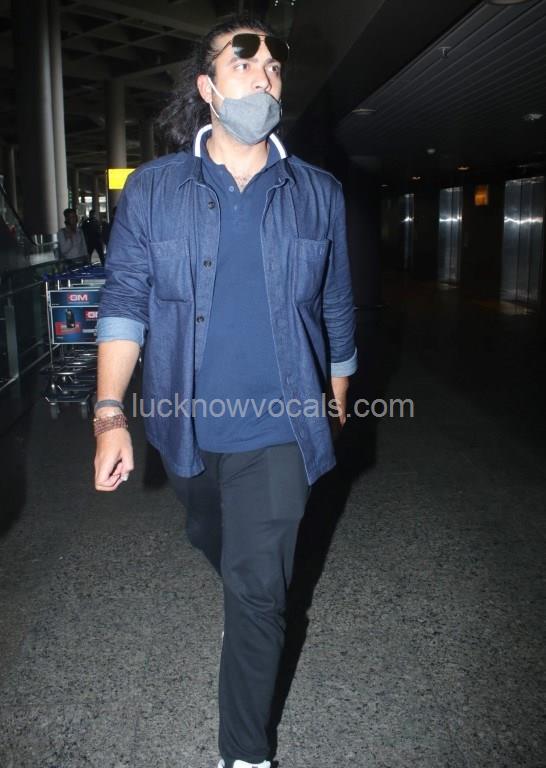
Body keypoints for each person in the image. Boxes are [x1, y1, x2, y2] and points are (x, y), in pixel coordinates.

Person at [93, 15, 356, 768]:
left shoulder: (318, 194)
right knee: (212, 536)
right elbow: (125, 301)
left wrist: (337, 402)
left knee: (258, 589)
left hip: (281, 427)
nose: (263, 77)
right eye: (244, 64)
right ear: (207, 87)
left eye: (273, 67)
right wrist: (109, 413)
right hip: (186, 426)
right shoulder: (154, 190)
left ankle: (245, 754)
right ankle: (244, 604)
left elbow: (336, 307)